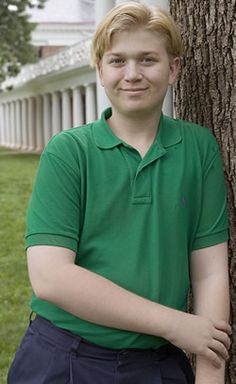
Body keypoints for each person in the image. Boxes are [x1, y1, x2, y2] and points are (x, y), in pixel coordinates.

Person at [8, 3, 231, 384]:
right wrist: (176, 324)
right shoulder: (69, 151)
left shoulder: (198, 148)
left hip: (156, 365)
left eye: (147, 60)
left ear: (173, 69)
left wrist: (210, 372)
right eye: (117, 61)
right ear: (100, 70)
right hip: (65, 358)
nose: (132, 74)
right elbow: (51, 276)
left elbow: (210, 272)